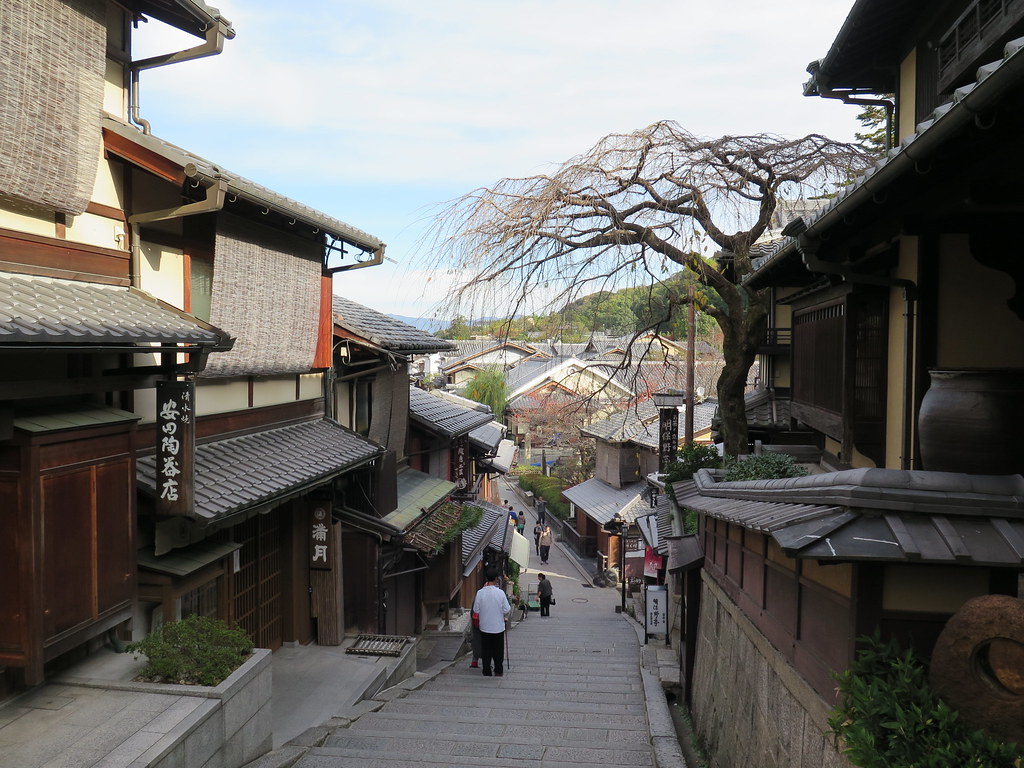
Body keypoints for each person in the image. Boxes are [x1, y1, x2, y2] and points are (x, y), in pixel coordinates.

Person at [472, 569, 511, 677]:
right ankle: (498, 670)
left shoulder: (480, 593)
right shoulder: (500, 593)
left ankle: (486, 670)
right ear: (496, 579)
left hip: (485, 626)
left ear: (486, 579)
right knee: (498, 650)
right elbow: (507, 609)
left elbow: (476, 610)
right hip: (498, 627)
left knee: (486, 650)